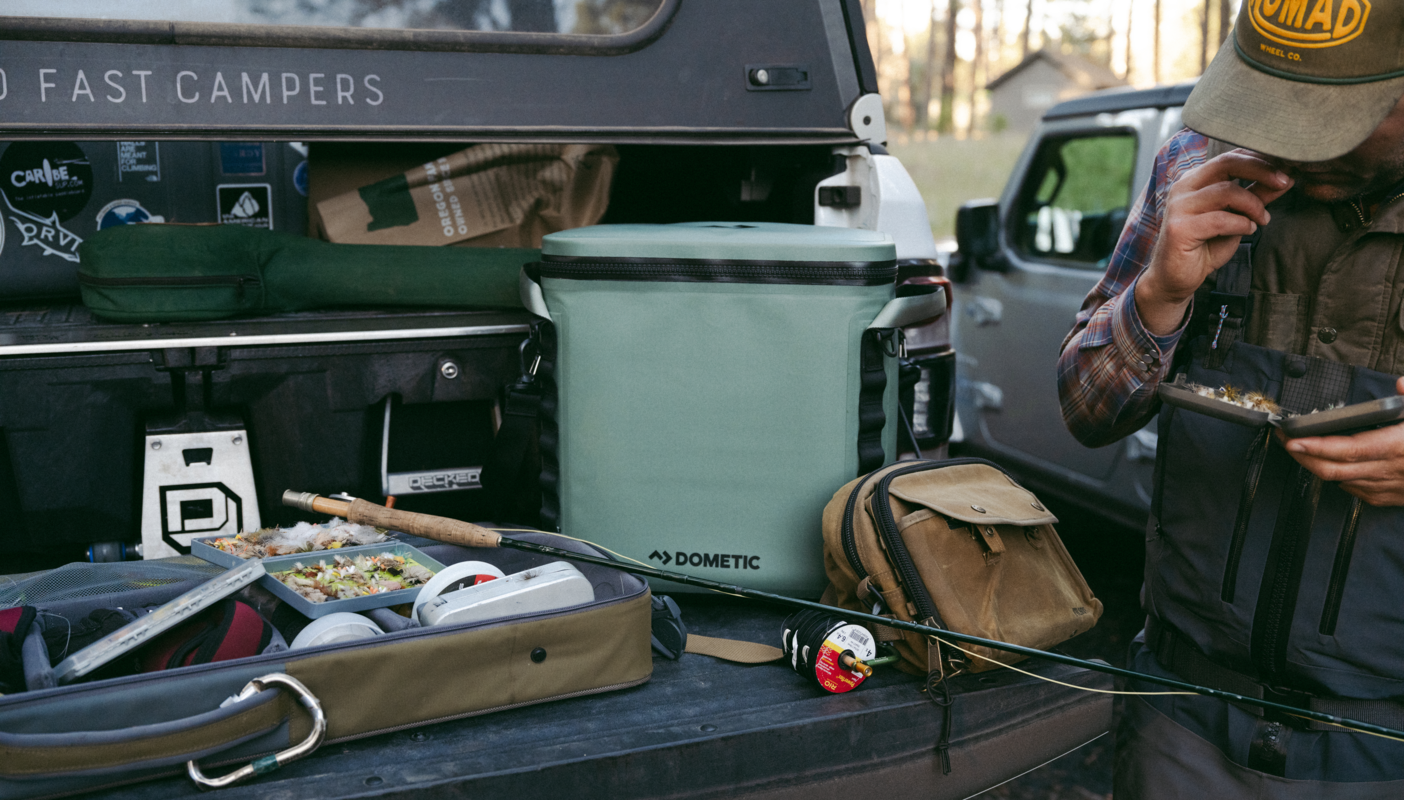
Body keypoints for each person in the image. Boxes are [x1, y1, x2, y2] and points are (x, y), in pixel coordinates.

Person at [1057, 5, 1404, 797]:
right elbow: (1084, 408)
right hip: (1181, 716)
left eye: (1332, 114)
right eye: (1271, 102)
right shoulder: (1196, 160)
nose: (1288, 141)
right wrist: (1158, 294)